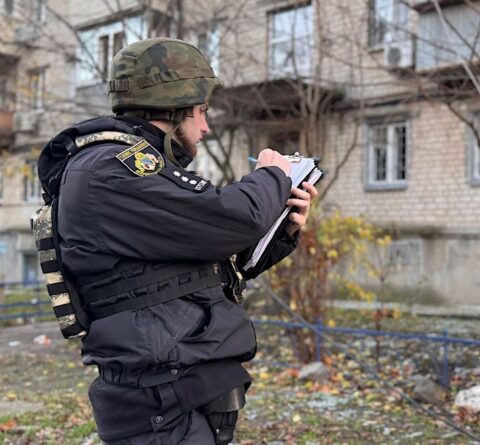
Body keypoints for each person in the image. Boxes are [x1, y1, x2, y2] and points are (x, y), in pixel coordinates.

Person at [36, 37, 316, 444]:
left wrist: (283, 229)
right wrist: (273, 175)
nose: (206, 127)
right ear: (174, 105)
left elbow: (210, 266)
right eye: (202, 112)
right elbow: (235, 218)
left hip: (177, 392)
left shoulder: (135, 170)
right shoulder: (110, 169)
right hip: (157, 403)